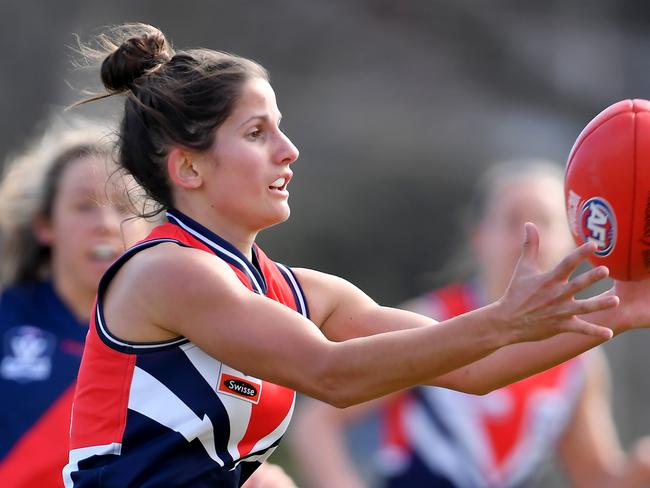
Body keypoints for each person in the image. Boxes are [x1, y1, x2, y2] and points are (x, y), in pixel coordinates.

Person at [63, 24, 650, 488]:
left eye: (281, 128)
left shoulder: (301, 293)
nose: (289, 151)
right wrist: (501, 320)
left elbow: (476, 371)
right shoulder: (168, 270)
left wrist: (624, 308)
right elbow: (332, 376)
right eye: (256, 133)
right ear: (188, 167)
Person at [288, 161, 650, 488]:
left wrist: (642, 467)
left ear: (574, 241)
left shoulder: (579, 358)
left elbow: (597, 479)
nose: (528, 238)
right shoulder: (430, 319)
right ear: (480, 238)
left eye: (545, 222)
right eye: (513, 222)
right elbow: (317, 423)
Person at [0, 118, 152, 487]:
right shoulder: (8, 318)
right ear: (45, 225)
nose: (104, 223)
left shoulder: (179, 343)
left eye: (124, 206)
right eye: (85, 206)